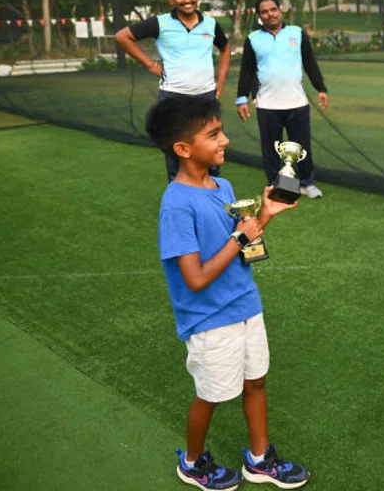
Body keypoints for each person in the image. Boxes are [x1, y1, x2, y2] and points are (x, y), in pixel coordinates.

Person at [145, 95, 310, 490]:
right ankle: (192, 462)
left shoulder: (224, 185)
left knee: (256, 380)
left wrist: (264, 216)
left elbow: (243, 246)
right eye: (213, 134)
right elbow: (196, 278)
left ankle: (259, 459)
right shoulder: (176, 205)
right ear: (183, 149)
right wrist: (239, 237)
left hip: (246, 305)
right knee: (212, 395)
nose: (225, 141)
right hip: (210, 319)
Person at [116, 0, 232, 181]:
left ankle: (216, 199)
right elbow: (122, 37)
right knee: (176, 154)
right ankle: (181, 203)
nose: (186, 0)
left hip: (205, 96)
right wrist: (151, 64)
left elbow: (225, 48)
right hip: (173, 97)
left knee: (212, 150)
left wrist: (220, 83)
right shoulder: (160, 23)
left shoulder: (211, 24)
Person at [236, 0, 329, 198]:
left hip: (297, 103)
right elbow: (247, 71)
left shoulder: (297, 33)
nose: (270, 14)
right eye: (264, 12)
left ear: (280, 10)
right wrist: (241, 98)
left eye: (273, 10)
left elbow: (310, 63)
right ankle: (280, 184)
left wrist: (321, 88)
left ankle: (306, 183)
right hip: (268, 105)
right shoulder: (253, 39)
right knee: (272, 150)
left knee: (301, 147)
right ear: (259, 16)